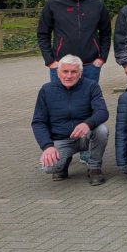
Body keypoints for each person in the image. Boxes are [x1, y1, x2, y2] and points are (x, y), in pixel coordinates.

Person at [32, 55, 109, 185]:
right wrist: (47, 146)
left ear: (80, 73)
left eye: (73, 72)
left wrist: (87, 124)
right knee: (48, 168)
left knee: (102, 130)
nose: (69, 76)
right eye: (65, 71)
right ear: (58, 72)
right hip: (61, 139)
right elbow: (38, 122)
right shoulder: (46, 90)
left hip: (84, 136)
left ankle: (94, 167)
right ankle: (64, 161)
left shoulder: (91, 86)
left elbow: (102, 112)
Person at [37, 0, 111, 83]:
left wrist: (102, 58)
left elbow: (106, 34)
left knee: (88, 101)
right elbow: (43, 34)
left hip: (90, 66)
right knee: (59, 101)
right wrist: (50, 61)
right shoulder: (53, 4)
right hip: (61, 67)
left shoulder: (98, 5)